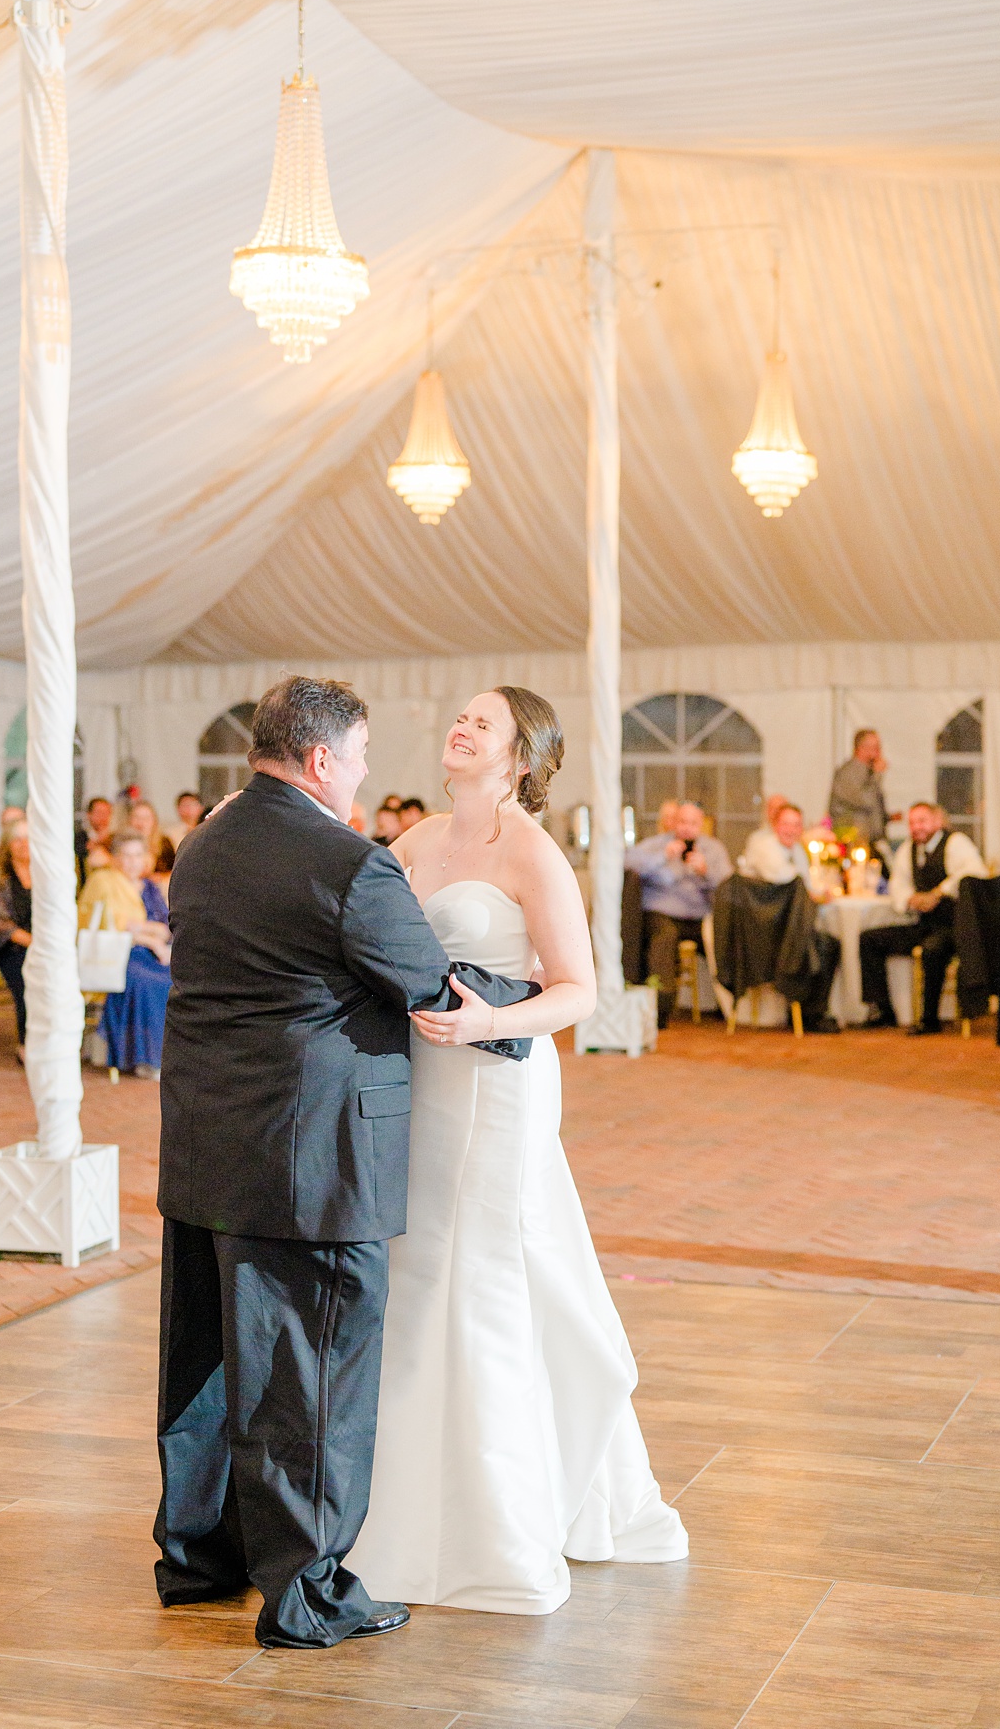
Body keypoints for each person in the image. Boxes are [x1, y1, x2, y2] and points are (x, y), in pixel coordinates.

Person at [152, 674, 542, 1648]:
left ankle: (198, 1559)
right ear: (323, 759)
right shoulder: (346, 864)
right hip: (310, 1159)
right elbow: (428, 984)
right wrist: (525, 1010)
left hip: (205, 1148)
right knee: (313, 1379)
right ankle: (306, 1592)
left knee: (207, 1368)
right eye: (362, 756)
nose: (367, 773)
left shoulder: (202, 847)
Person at [354, 685, 687, 1613]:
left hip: (496, 1085)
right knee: (421, 1270)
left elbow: (579, 990)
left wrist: (493, 1019)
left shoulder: (533, 852)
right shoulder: (415, 842)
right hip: (420, 1082)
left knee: (486, 1272)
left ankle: (496, 1522)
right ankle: (405, 1505)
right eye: (457, 714)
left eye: (482, 722)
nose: (460, 726)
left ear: (520, 757)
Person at [858, 799, 988, 1034]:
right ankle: (883, 1010)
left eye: (922, 821)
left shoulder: (956, 843)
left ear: (937, 821)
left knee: (932, 949)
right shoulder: (909, 849)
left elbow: (974, 872)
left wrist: (939, 893)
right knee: (869, 939)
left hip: (954, 927)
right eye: (912, 823)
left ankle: (930, 1019)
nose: (916, 827)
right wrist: (912, 899)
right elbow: (898, 883)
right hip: (923, 923)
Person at [733, 799, 843, 1031]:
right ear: (775, 825)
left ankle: (812, 1011)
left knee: (829, 943)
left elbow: (804, 887)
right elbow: (786, 881)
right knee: (815, 945)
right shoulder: (765, 847)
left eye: (796, 825)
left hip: (788, 925)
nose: (791, 830)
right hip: (764, 929)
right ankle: (810, 1015)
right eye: (786, 824)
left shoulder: (796, 851)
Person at [625, 800, 729, 1027]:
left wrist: (705, 872)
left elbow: (728, 888)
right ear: (674, 822)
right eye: (682, 821)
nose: (686, 828)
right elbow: (628, 861)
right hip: (662, 913)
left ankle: (730, 1006)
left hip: (699, 917)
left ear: (701, 824)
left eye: (692, 823)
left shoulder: (712, 849)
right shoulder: (658, 844)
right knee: (664, 937)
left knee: (725, 936)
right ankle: (660, 1010)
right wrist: (663, 856)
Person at [78, 830, 170, 1077]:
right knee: (148, 983)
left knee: (176, 979)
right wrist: (150, 937)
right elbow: (110, 926)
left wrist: (146, 930)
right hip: (119, 955)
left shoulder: (149, 887)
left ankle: (171, 1056)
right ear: (116, 858)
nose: (132, 861)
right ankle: (144, 1059)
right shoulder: (103, 881)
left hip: (152, 954)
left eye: (138, 855)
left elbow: (165, 926)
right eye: (126, 856)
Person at [0, 821, 34, 1050]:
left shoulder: (43, 871)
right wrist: (32, 942)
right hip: (11, 946)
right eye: (17, 839)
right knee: (29, 978)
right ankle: (26, 1044)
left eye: (28, 838)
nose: (24, 844)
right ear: (8, 844)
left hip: (41, 942)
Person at [829, 728, 890, 851]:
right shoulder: (848, 773)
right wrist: (878, 775)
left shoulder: (868, 772)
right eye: (876, 747)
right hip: (852, 841)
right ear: (862, 748)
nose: (879, 752)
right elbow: (865, 800)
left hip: (870, 840)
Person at [126, 796, 175, 878]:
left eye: (146, 818)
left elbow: (174, 872)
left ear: (154, 821)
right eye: (136, 817)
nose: (140, 822)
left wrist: (160, 877)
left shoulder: (164, 842)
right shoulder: (122, 842)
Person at [79, 795, 115, 875]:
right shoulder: (79, 839)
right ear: (89, 815)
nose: (103, 817)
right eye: (99, 812)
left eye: (106, 813)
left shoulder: (115, 839)